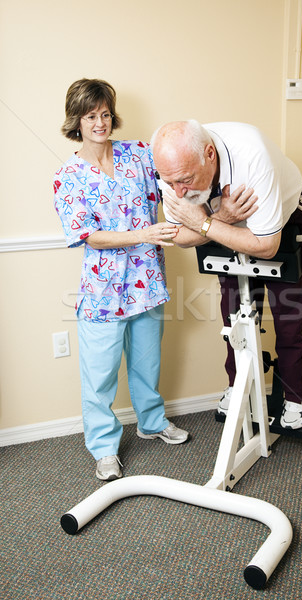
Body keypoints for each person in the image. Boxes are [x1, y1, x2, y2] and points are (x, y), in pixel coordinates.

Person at [54, 79, 189, 481]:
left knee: (148, 364)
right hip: (103, 292)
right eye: (91, 115)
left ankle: (151, 422)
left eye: (105, 114)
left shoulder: (139, 154)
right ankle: (104, 447)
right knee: (99, 377)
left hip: (147, 282)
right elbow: (87, 235)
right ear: (76, 120)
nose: (100, 122)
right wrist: (143, 234)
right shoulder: (68, 176)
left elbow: (172, 189)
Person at [151, 120, 302, 430]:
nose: (179, 192)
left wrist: (205, 224)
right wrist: (221, 218)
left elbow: (266, 245)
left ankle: (296, 397)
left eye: (185, 180)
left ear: (209, 154)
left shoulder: (252, 155)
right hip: (225, 223)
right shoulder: (172, 171)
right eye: (170, 183)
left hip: (284, 218)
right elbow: (180, 237)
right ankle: (238, 385)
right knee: (235, 318)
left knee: (289, 315)